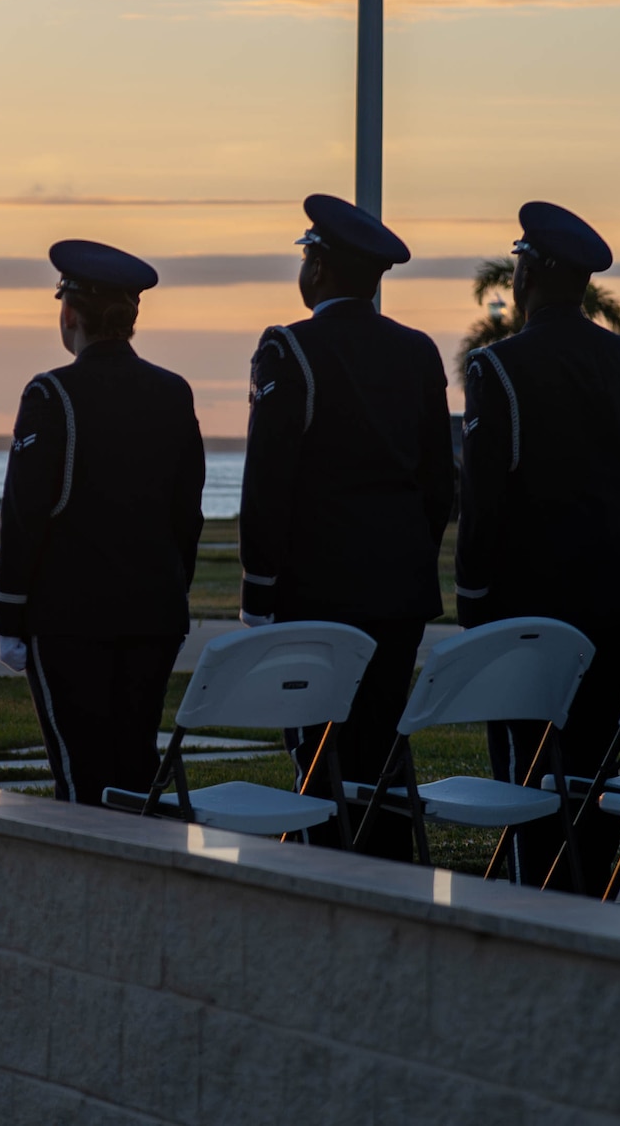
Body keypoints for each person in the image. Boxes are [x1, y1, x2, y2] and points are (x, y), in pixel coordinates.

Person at [237, 194, 452, 860]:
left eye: (308, 258)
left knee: (320, 748)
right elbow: (441, 481)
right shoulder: (417, 351)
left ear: (321, 268)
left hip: (317, 591)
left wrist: (258, 589)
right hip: (399, 591)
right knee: (380, 745)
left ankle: (328, 873)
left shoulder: (289, 348)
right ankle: (388, 869)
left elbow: (269, 477)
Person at [457, 202, 620, 893]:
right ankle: (590, 885)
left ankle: (537, 897)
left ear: (532, 273)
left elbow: (484, 498)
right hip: (613, 601)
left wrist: (474, 598)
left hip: (529, 602)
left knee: (529, 765)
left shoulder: (499, 368)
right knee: (592, 761)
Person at [0, 240, 205, 806]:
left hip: (69, 622)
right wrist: (171, 591)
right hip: (154, 618)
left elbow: (25, 513)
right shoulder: (173, 391)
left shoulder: (52, 393)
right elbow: (188, 512)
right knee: (133, 766)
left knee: (81, 776)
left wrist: (10, 615)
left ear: (69, 314)